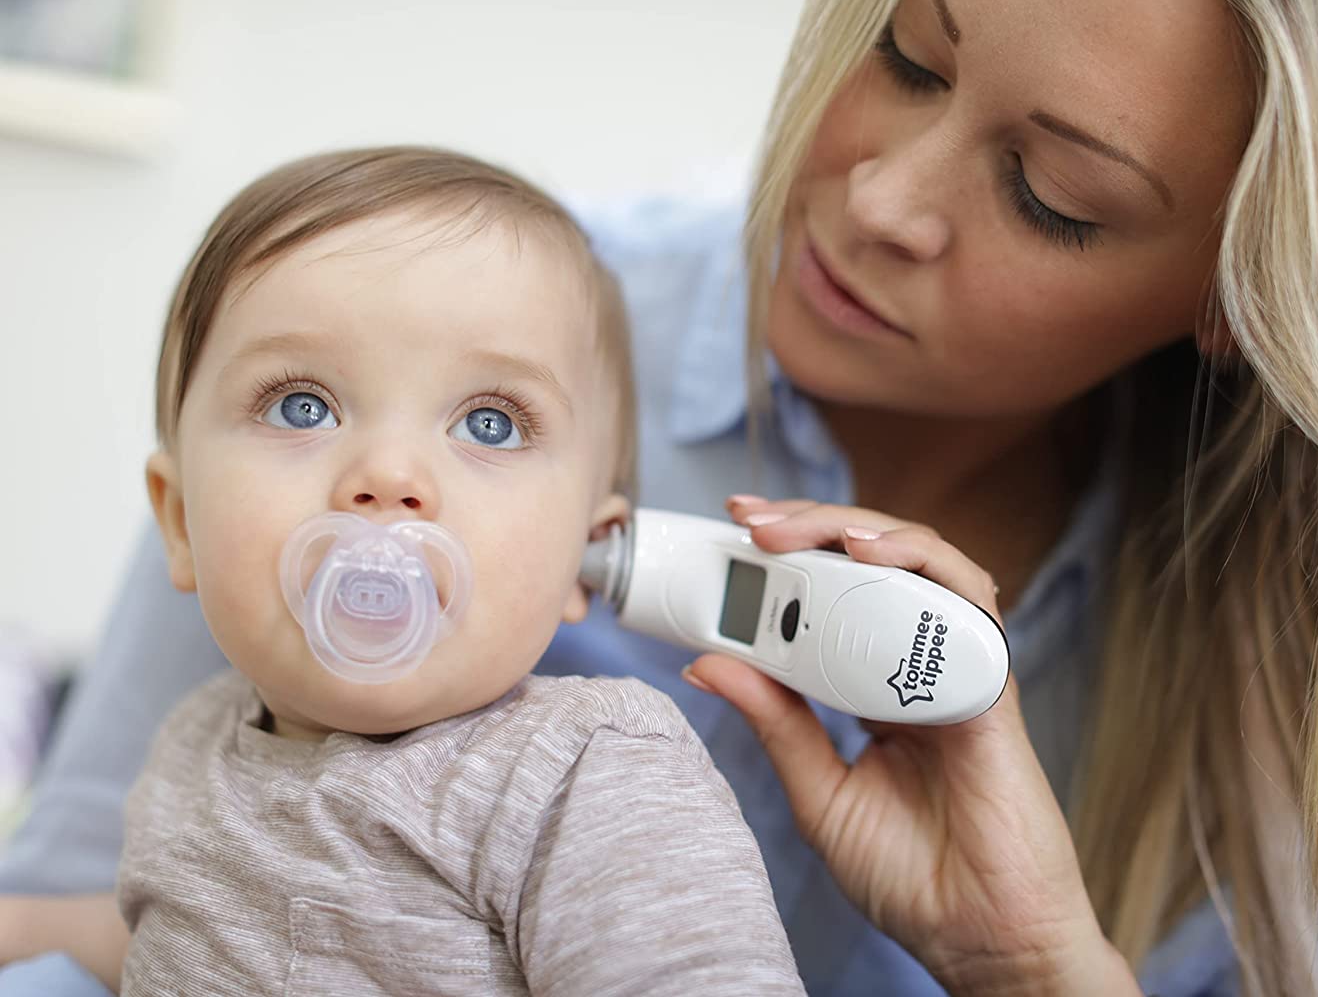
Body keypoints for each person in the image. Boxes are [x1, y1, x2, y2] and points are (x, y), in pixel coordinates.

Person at [3, 0, 1318, 994]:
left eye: (1052, 197)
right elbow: (103, 918)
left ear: (1246, 290)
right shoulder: (426, 314)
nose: (881, 200)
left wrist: (1040, 969)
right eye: (909, 52)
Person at [6, 146, 806, 995]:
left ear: (586, 552)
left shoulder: (585, 777)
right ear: (179, 524)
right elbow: (170, 942)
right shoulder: (193, 744)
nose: (388, 475)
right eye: (302, 407)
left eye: (491, 424)